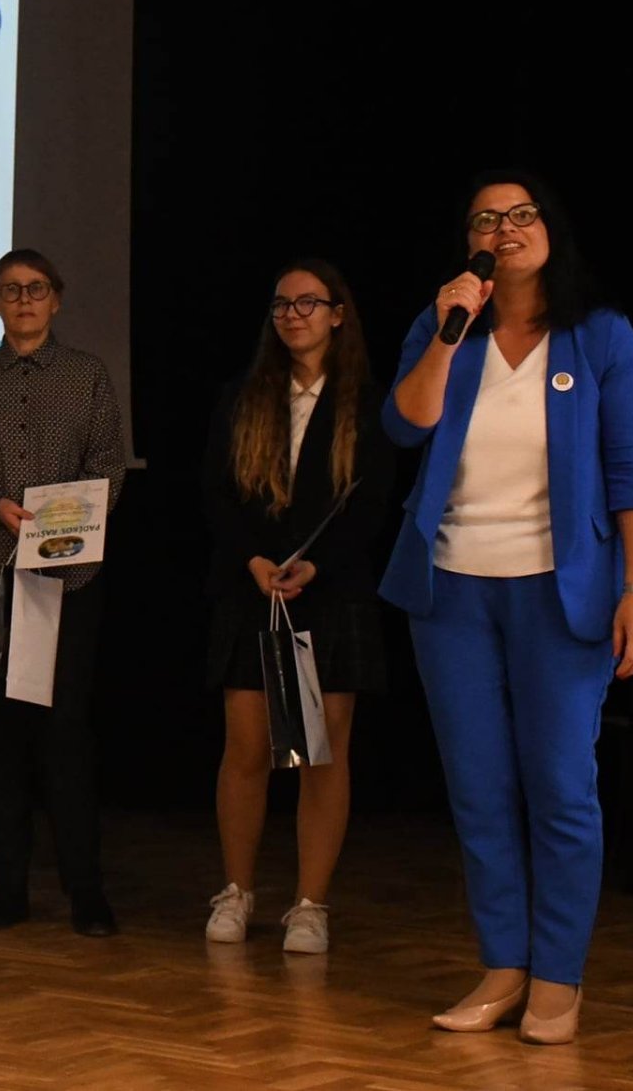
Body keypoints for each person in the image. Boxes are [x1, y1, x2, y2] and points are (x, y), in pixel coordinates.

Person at [380, 171, 633, 1044]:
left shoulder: (601, 334)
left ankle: (557, 977)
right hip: (451, 590)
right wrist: (448, 332)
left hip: (562, 593)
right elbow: (404, 425)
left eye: (521, 214)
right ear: (469, 242)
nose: (504, 229)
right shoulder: (444, 324)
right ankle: (503, 964)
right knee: (479, 789)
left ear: (550, 230)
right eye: (486, 219)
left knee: (561, 787)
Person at [0, 249, 127, 937]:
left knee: (65, 734)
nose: (23, 300)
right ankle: (8, 887)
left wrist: (57, 523)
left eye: (35, 288)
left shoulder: (87, 376)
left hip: (66, 578)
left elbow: (108, 468)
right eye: (9, 290)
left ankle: (85, 889)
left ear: (57, 298)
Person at [200, 257, 392, 954]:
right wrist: (253, 560)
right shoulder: (242, 396)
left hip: (329, 594)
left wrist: (319, 564)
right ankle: (236, 890)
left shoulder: (368, 402)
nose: (293, 315)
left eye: (308, 303)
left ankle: (310, 903)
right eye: (282, 304)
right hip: (253, 590)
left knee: (323, 754)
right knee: (246, 747)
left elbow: (374, 504)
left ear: (338, 314)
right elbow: (216, 494)